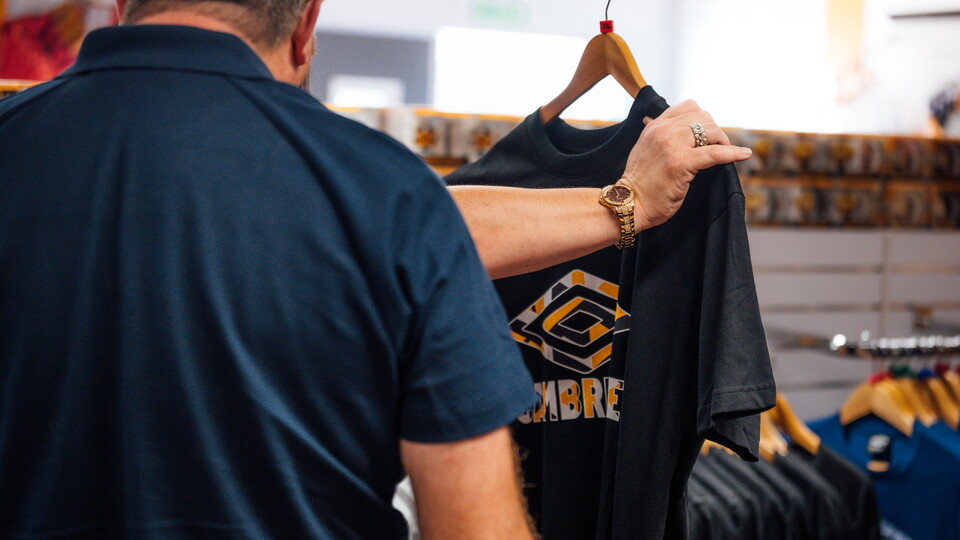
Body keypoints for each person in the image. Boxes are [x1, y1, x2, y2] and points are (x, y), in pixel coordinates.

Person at [0, 0, 752, 538]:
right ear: (306, 26)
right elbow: (473, 524)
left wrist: (620, 203)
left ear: (125, 6)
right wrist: (627, 204)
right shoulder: (386, 195)